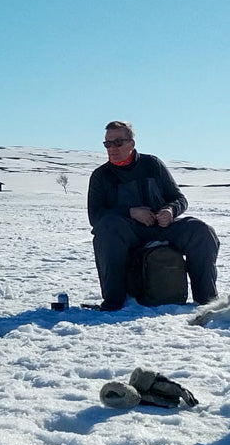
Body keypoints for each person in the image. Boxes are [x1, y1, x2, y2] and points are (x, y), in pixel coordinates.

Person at [88, 120, 219, 311]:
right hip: (128, 234)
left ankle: (207, 301)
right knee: (107, 227)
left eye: (118, 143)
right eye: (107, 144)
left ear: (131, 143)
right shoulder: (101, 176)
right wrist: (130, 212)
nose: (112, 148)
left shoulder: (152, 164)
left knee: (201, 230)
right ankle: (114, 303)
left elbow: (179, 198)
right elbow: (96, 216)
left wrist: (170, 210)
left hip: (162, 228)